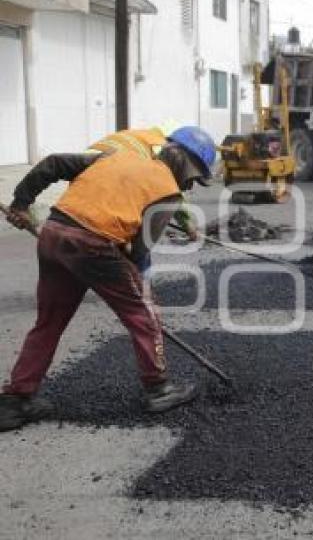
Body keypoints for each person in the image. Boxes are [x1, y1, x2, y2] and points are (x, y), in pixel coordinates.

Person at [0, 126, 217, 432]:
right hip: (91, 244)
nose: (190, 185)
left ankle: (15, 401)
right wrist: (139, 296)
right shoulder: (167, 190)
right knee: (144, 314)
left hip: (54, 234)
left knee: (49, 321)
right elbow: (140, 253)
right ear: (185, 163)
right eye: (194, 178)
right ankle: (159, 389)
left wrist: (22, 202)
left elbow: (52, 164)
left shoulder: (114, 157)